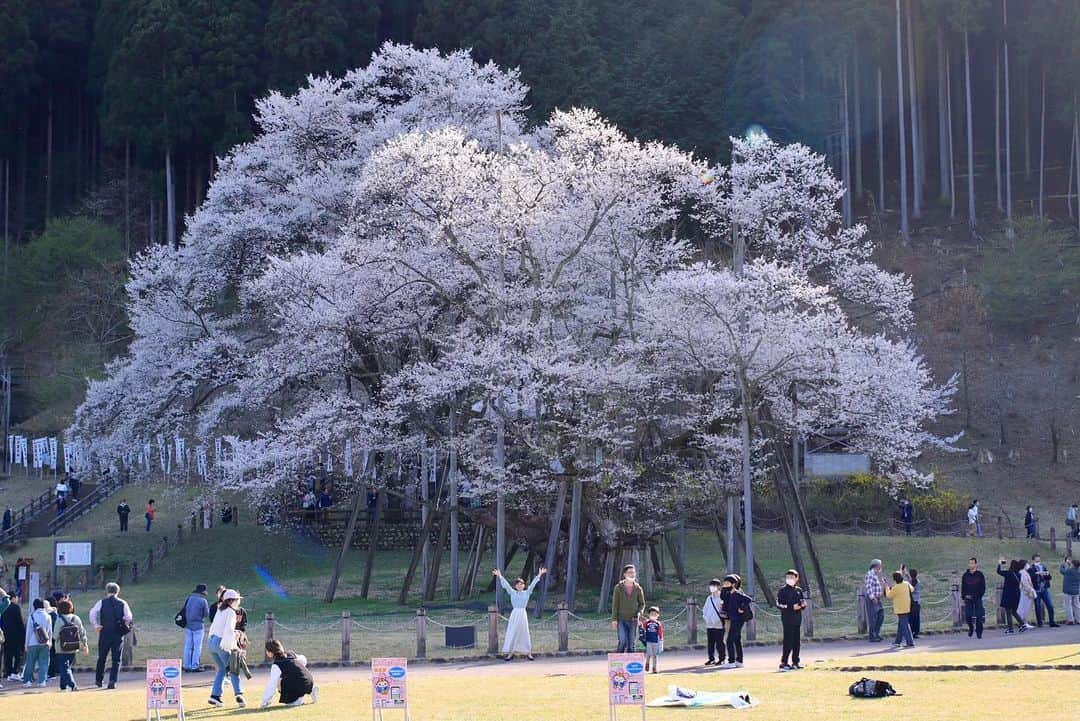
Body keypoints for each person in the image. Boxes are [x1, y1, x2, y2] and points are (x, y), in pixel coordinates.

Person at [493, 566, 547, 661]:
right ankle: (511, 653)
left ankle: (528, 653)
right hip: (515, 614)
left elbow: (533, 585)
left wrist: (539, 574)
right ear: (515, 586)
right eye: (518, 584)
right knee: (513, 632)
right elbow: (506, 586)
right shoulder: (513, 593)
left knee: (524, 632)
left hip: (522, 614)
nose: (519, 586)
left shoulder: (527, 593)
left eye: (521, 584)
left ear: (524, 585)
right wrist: (500, 576)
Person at [89, 582, 133, 689]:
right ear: (117, 591)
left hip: (105, 632)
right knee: (116, 658)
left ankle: (99, 680)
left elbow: (92, 613)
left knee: (102, 657)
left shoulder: (101, 602)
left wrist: (96, 625)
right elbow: (129, 616)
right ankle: (112, 681)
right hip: (118, 633)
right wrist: (124, 623)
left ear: (107, 591)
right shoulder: (122, 603)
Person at [207, 588, 246, 707]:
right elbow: (228, 630)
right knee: (233, 668)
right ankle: (239, 694)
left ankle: (215, 696)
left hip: (211, 642)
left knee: (222, 670)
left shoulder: (220, 610)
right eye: (237, 600)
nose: (238, 602)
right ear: (231, 601)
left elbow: (216, 628)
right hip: (221, 642)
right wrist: (234, 646)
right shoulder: (231, 612)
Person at [260, 640, 318, 708]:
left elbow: (272, 684)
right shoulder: (290, 653)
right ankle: (311, 690)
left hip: (300, 685)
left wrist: (264, 701)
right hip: (309, 680)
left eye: (267, 651)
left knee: (278, 681)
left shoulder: (276, 665)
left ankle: (297, 700)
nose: (266, 652)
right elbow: (303, 659)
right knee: (284, 679)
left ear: (271, 652)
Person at [52, 598, 88, 691]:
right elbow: (82, 632)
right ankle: (63, 686)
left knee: (64, 668)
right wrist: (85, 644)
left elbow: (55, 636)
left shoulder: (59, 620)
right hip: (74, 646)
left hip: (61, 647)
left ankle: (72, 685)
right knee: (67, 666)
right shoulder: (76, 618)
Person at [610, 564, 645, 653]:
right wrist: (614, 619)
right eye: (630, 572)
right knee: (622, 641)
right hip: (621, 620)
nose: (632, 574)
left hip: (633, 620)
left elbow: (642, 604)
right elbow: (615, 604)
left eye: (633, 572)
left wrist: (639, 613)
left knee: (631, 644)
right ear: (624, 574)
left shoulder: (638, 588)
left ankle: (630, 665)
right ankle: (618, 662)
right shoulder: (618, 588)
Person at [719, 574, 751, 669]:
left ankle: (731, 661)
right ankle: (739, 661)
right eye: (724, 583)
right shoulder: (729, 593)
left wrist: (741, 608)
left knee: (729, 640)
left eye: (727, 583)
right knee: (737, 639)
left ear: (733, 584)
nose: (725, 584)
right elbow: (722, 597)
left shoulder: (737, 593)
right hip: (733, 618)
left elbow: (748, 599)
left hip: (738, 619)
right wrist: (724, 588)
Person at [776, 569, 806, 671]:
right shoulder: (782, 591)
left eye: (792, 577)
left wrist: (802, 606)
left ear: (797, 578)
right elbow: (779, 604)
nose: (790, 579)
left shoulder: (799, 590)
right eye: (788, 577)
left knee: (796, 642)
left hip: (797, 619)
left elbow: (801, 602)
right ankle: (784, 662)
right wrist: (791, 607)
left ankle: (795, 662)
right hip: (787, 619)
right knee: (788, 641)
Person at [21, 598, 53, 687]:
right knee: (43, 662)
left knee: (30, 662)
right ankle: (42, 681)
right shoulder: (48, 616)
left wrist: (26, 644)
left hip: (32, 643)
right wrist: (50, 642)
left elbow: (29, 632)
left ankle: (27, 681)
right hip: (45, 643)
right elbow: (50, 631)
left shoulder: (32, 616)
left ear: (34, 606)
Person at [182, 584, 211, 672]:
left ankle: (186, 665)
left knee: (188, 646)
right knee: (197, 647)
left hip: (188, 625)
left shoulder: (189, 599)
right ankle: (195, 666)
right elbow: (206, 614)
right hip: (198, 625)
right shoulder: (203, 601)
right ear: (202, 593)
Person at [996, 559, 1027, 634]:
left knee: (1008, 612)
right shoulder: (1019, 574)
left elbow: (999, 571)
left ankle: (1011, 629)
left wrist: (1000, 564)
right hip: (1017, 594)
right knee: (1013, 611)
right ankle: (1022, 624)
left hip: (1009, 594)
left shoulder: (1009, 573)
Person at [701, 578, 726, 666]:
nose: (712, 587)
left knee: (719, 642)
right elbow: (705, 609)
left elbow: (723, 610)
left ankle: (722, 658)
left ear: (719, 587)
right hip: (710, 624)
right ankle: (711, 658)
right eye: (711, 586)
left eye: (714, 586)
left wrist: (719, 619)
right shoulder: (709, 598)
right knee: (710, 643)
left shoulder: (722, 597)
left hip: (719, 624)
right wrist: (706, 618)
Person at [1029, 554, 1058, 628]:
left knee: (1050, 605)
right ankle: (1040, 623)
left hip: (1044, 589)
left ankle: (1052, 622)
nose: (1038, 559)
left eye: (1039, 558)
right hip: (1036, 590)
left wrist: (1047, 574)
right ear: (1033, 559)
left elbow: (1049, 577)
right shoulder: (1031, 568)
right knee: (1038, 607)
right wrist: (1037, 573)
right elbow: (1031, 577)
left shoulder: (1043, 566)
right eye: (1036, 558)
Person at [1, 591, 25, 679]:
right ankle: (15, 671)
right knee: (17, 654)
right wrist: (23, 634)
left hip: (5, 634)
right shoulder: (16, 607)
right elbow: (20, 622)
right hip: (16, 635)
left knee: (7, 654)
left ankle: (8, 672)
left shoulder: (3, 608)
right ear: (13, 598)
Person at [961, 557, 986, 638]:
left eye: (972, 563)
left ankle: (979, 632)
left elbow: (983, 587)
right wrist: (964, 597)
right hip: (968, 599)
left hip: (978, 598)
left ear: (976, 564)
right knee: (968, 615)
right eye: (969, 563)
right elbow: (963, 587)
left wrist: (980, 595)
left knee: (979, 617)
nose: (971, 565)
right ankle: (971, 628)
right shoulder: (965, 575)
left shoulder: (980, 574)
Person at [863, 559, 885, 642]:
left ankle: (876, 633)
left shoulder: (876, 575)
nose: (881, 567)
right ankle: (872, 636)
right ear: (877, 566)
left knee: (880, 616)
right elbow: (868, 586)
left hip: (877, 599)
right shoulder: (870, 574)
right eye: (880, 565)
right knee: (873, 617)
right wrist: (872, 598)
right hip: (873, 599)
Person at [639, 606, 663, 674]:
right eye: (651, 614)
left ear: (658, 615)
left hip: (656, 641)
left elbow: (660, 632)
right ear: (649, 615)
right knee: (649, 654)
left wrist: (661, 640)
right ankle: (647, 663)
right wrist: (640, 623)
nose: (653, 616)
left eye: (655, 614)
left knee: (655, 655)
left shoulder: (658, 624)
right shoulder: (647, 622)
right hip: (648, 641)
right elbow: (642, 627)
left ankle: (654, 668)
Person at [1017, 559, 1037, 628]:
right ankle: (1023, 623)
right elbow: (1025, 583)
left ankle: (1024, 622)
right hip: (1026, 593)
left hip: (1026, 592)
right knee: (1024, 608)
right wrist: (1030, 590)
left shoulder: (1024, 572)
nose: (1028, 565)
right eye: (1027, 564)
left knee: (1026, 608)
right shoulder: (1022, 572)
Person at [1059, 558, 1080, 625]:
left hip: (1068, 591)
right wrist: (1069, 563)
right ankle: (1078, 619)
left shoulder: (1069, 571)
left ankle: (1071, 620)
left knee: (1068, 606)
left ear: (1073, 565)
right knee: (1077, 606)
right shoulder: (1078, 571)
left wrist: (1063, 564)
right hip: (1076, 591)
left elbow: (1062, 571)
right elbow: (1071, 568)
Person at [905, 568, 922, 639]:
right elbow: (910, 580)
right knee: (916, 618)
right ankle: (916, 632)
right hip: (917, 602)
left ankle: (911, 631)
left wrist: (905, 574)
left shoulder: (910, 583)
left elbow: (909, 583)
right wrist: (905, 573)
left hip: (911, 602)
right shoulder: (917, 581)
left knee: (910, 618)